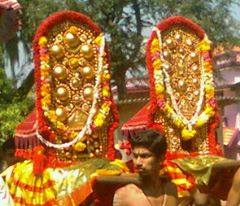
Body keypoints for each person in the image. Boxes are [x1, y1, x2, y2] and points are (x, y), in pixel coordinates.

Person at [113, 130, 178, 206]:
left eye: (145, 156)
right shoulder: (125, 194)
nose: (138, 162)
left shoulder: (171, 190)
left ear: (160, 158)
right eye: (135, 156)